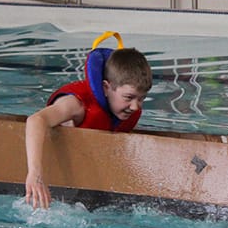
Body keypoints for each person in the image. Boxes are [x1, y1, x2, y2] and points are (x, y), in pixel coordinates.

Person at [24, 36, 152, 209]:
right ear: (106, 88)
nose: (135, 106)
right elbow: (36, 120)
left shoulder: (126, 110)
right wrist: (35, 173)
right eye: (129, 97)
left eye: (141, 99)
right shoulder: (76, 104)